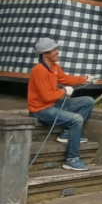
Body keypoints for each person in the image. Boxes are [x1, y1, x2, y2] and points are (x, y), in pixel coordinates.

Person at [28, 38, 98, 171]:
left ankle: (66, 134)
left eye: (56, 49)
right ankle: (72, 159)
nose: (57, 52)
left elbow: (65, 79)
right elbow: (46, 97)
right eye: (53, 50)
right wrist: (64, 90)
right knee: (76, 120)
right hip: (40, 110)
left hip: (53, 104)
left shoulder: (54, 67)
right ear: (45, 54)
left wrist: (85, 78)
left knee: (88, 101)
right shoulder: (39, 70)